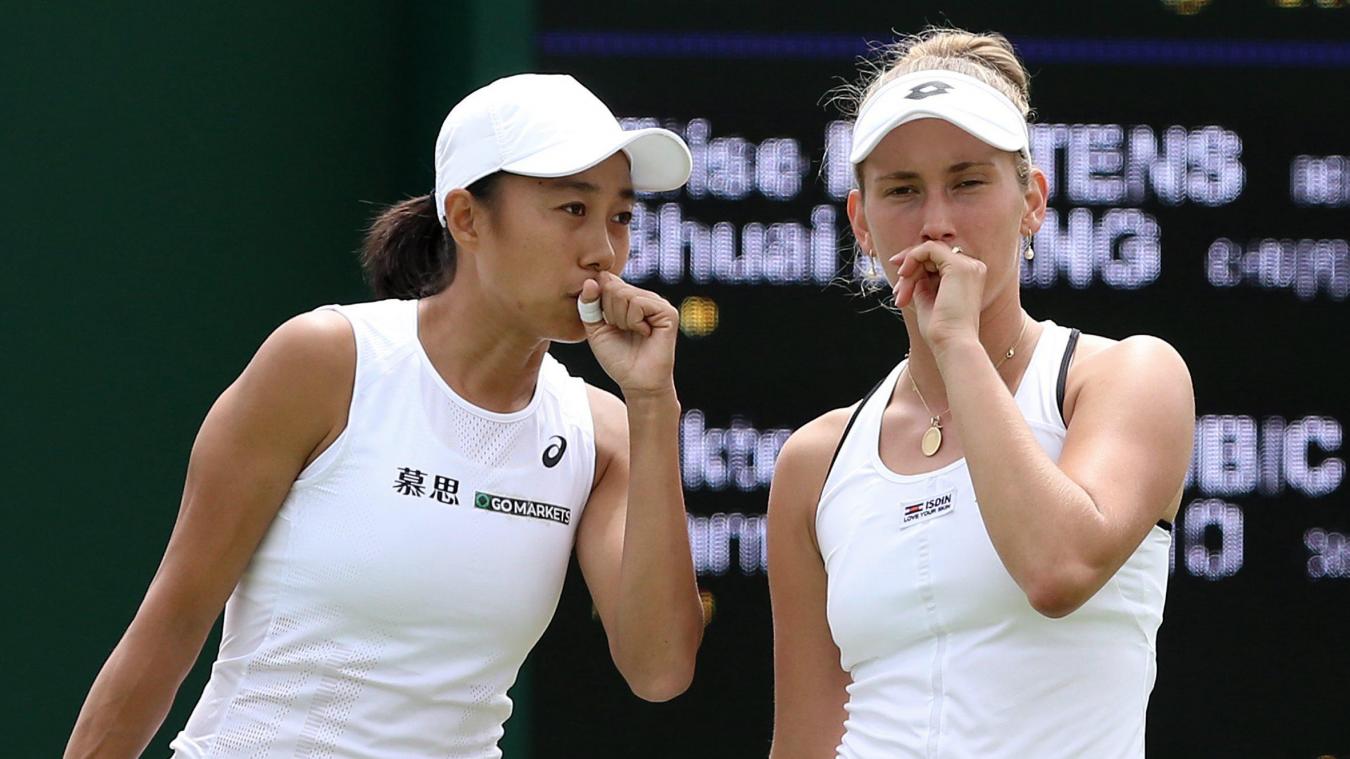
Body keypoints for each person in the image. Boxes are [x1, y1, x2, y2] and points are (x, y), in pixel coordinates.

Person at [65, 73, 705, 758]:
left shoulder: (603, 431)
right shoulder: (324, 362)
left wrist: (652, 405)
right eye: (572, 208)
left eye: (621, 216)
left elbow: (659, 669)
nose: (603, 252)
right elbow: (169, 626)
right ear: (466, 218)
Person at [767, 29, 1195, 759]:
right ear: (861, 224)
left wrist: (957, 345)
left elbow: (1057, 568)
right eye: (902, 191)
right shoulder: (815, 461)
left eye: (967, 182)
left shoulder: (1126, 376)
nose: (937, 221)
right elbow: (805, 741)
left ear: (1031, 202)